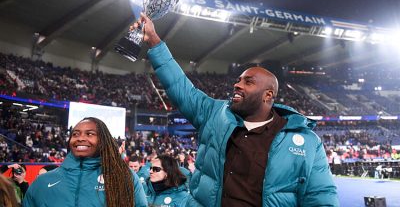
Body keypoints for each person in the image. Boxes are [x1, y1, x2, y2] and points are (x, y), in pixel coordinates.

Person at [133, 13, 339, 206]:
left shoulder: (307, 141)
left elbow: (321, 196)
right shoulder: (215, 114)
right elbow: (180, 87)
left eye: (248, 82)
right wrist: (154, 41)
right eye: (238, 80)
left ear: (268, 95)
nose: (237, 85)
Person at [23, 117, 147, 207]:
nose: (81, 138)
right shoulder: (42, 182)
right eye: (75, 134)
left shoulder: (124, 176)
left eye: (90, 134)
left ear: (103, 140)